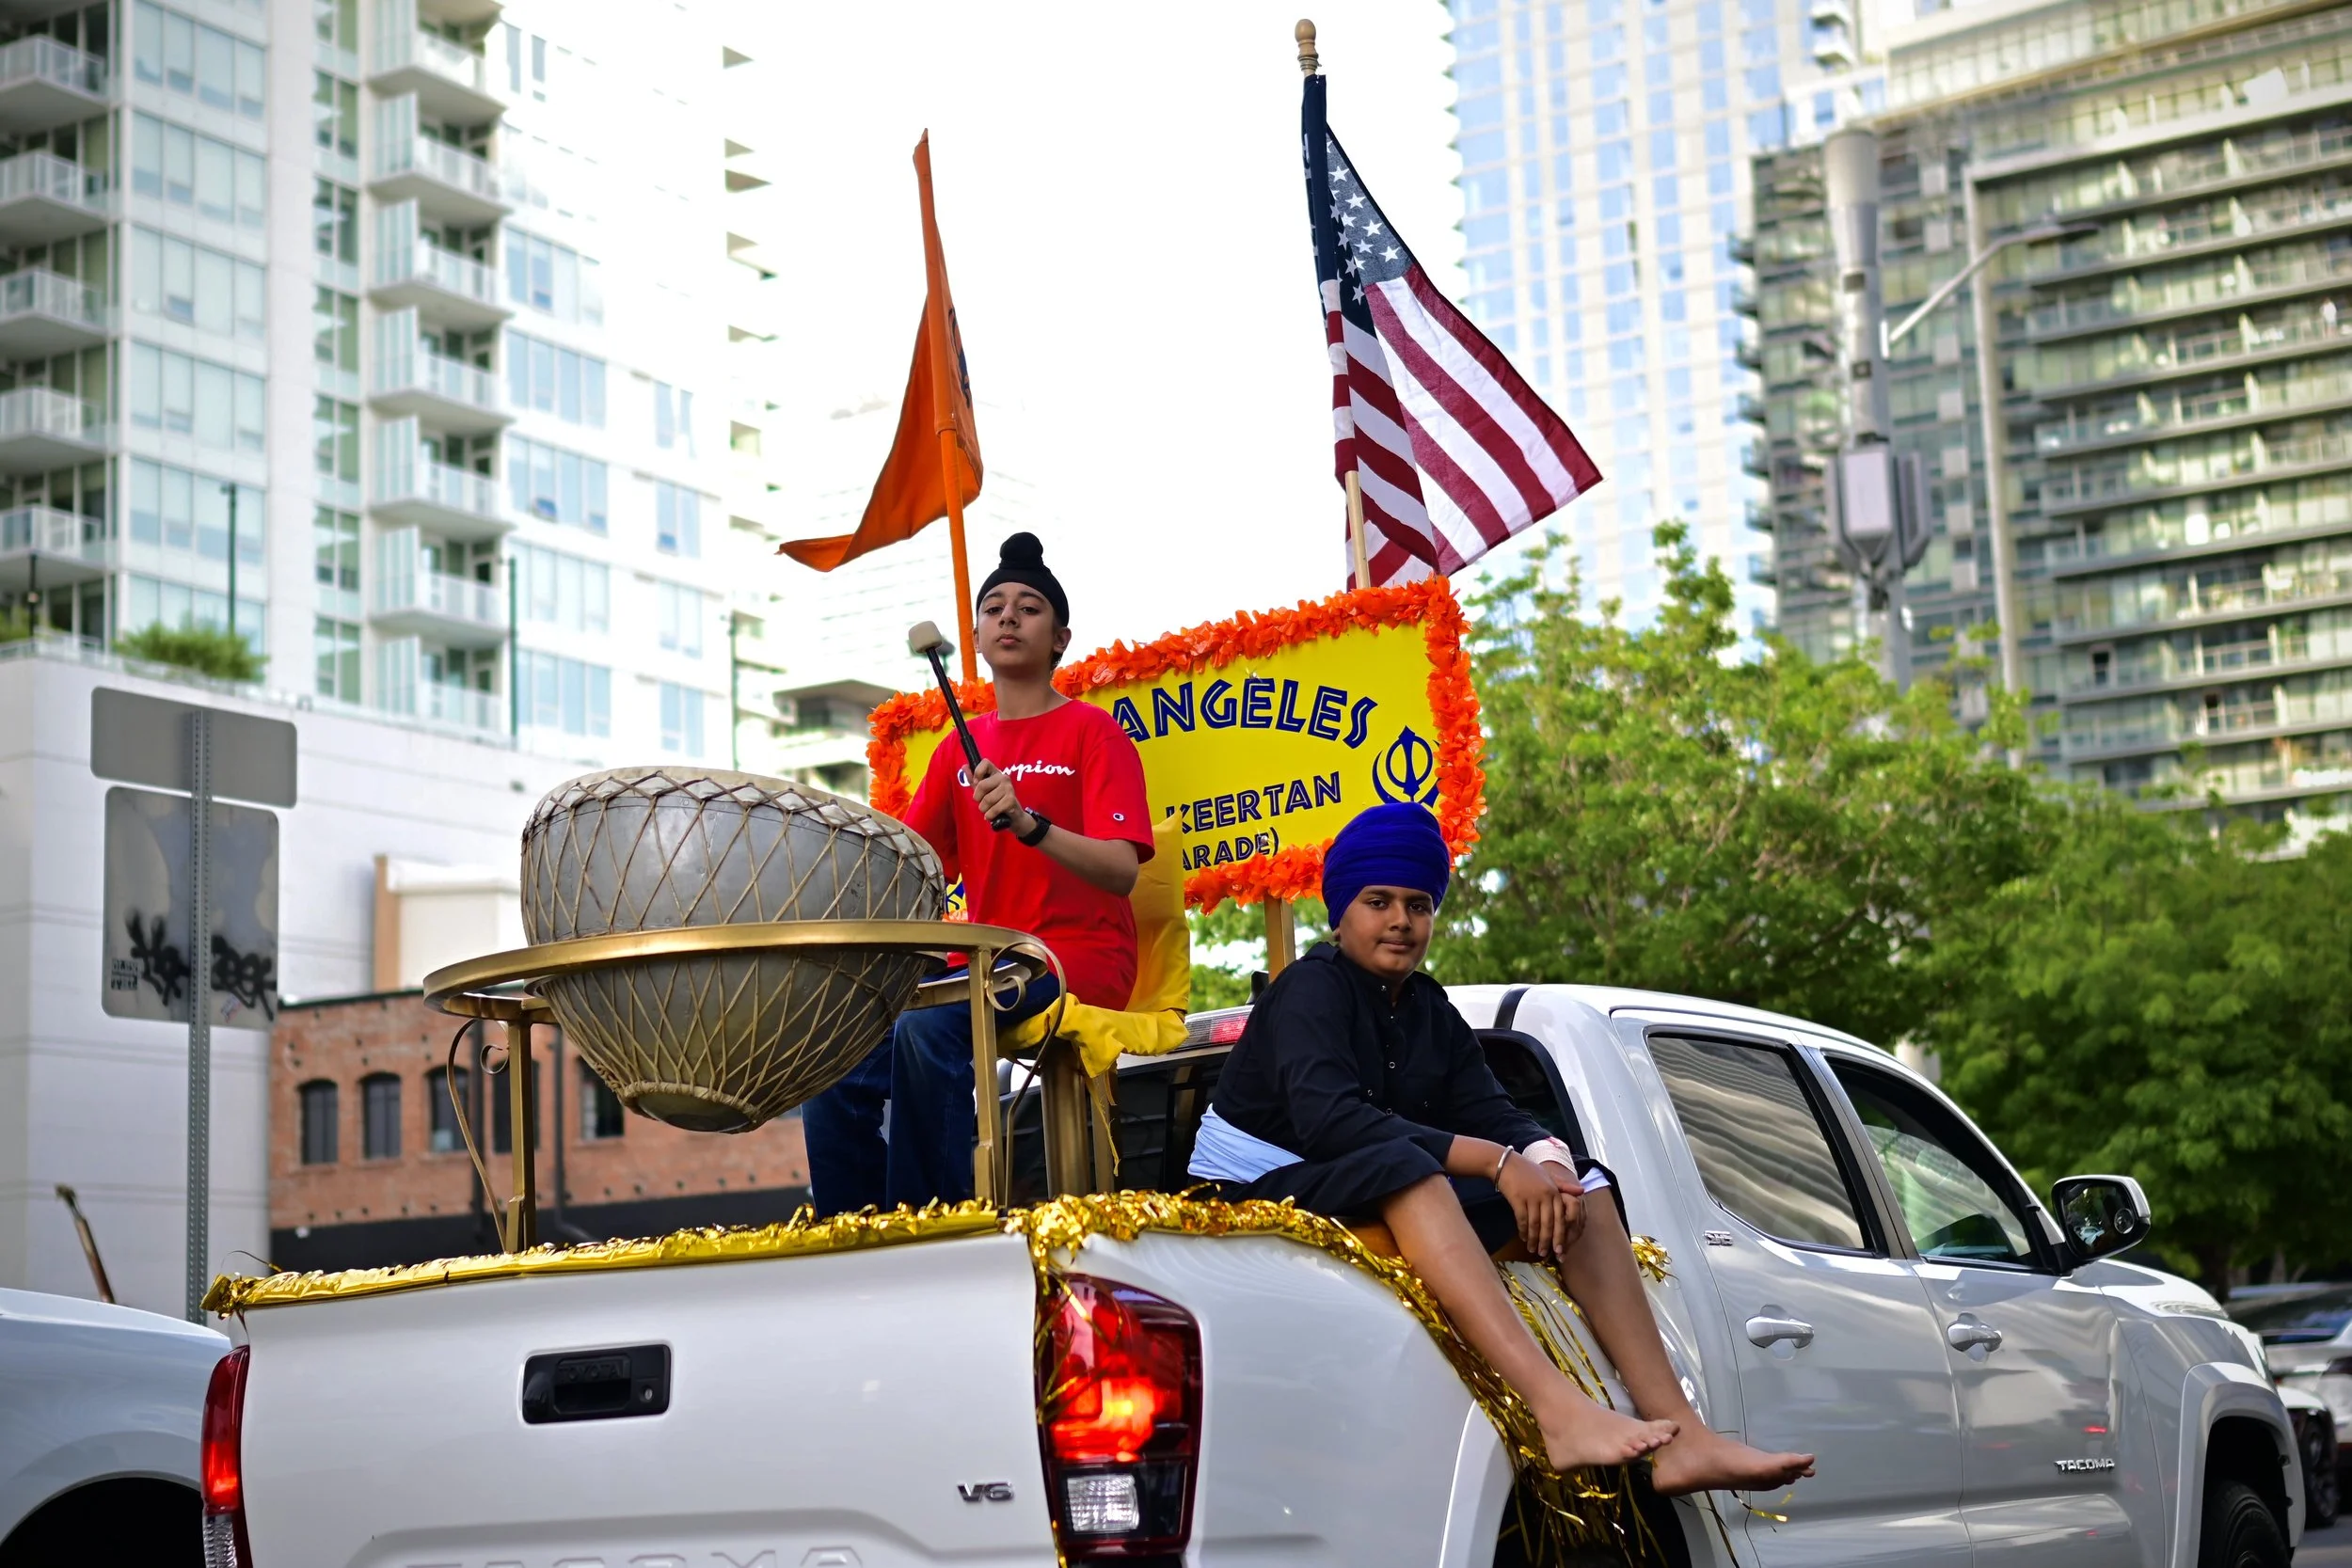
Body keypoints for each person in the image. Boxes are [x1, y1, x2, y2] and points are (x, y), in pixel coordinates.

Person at [1191, 802, 1816, 1492]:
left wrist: (1543, 1158)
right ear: (1341, 914)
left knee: (1583, 1185)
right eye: (1378, 901)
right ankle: (1557, 1412)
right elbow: (1332, 1121)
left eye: (1418, 903)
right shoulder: (1310, 987)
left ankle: (1684, 1438)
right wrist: (1495, 1162)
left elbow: (1493, 1108)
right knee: (1412, 1170)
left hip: (1351, 1177)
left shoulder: (1426, 1006)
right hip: (1252, 1191)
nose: (1400, 919)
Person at [804, 532, 1154, 1212]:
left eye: (1028, 607)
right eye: (994, 606)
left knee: (927, 1027)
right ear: (974, 635)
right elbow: (908, 868)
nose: (1009, 616)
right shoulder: (954, 754)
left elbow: (1120, 872)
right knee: (839, 1038)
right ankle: (851, 1229)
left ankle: (933, 1221)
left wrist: (1032, 825)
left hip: (1074, 957)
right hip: (985, 959)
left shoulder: (1095, 732)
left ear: (1061, 637)